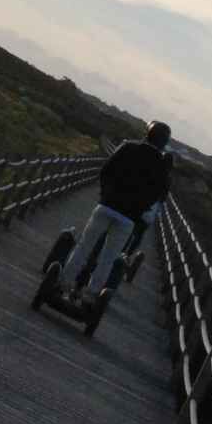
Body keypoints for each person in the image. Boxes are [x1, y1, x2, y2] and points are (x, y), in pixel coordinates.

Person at [63, 120, 173, 294]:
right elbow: (159, 194)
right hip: (129, 218)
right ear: (164, 142)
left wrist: (105, 194)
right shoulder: (162, 165)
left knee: (84, 246)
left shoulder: (128, 147)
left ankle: (64, 281)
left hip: (107, 206)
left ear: (147, 134)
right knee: (108, 258)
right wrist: (141, 208)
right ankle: (91, 294)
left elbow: (106, 171)